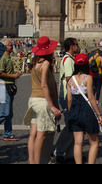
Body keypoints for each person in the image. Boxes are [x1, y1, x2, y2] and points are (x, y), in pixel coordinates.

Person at [24, 36, 62, 164]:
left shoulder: (35, 64)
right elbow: (44, 85)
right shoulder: (45, 64)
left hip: (33, 100)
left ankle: (32, 161)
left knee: (33, 134)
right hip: (41, 101)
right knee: (41, 135)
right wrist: (52, 106)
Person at [67, 53, 102, 164]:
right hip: (86, 111)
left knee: (77, 143)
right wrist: (99, 114)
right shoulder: (88, 78)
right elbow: (91, 98)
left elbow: (69, 99)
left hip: (74, 110)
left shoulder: (70, 80)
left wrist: (70, 112)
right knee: (94, 142)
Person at [53, 37, 79, 163]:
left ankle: (70, 153)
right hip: (68, 95)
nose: (77, 46)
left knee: (74, 125)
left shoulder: (68, 59)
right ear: (71, 46)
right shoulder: (68, 60)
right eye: (76, 44)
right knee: (70, 124)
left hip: (67, 94)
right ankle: (57, 150)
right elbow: (69, 79)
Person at [0, 39, 22, 141]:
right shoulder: (3, 58)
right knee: (5, 112)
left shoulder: (8, 58)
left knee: (10, 114)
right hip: (4, 87)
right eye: (10, 45)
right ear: (5, 47)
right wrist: (13, 76)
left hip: (9, 87)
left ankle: (8, 133)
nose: (12, 46)